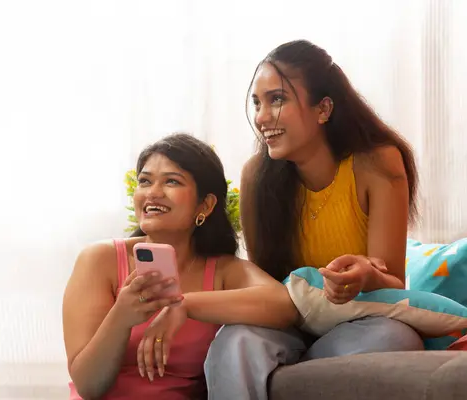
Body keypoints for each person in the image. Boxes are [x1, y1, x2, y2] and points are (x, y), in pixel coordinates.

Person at [204, 39, 425, 400]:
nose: (261, 117)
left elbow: (393, 284)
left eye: (277, 99)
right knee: (236, 339)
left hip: (361, 319)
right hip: (290, 321)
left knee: (394, 338)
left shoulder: (378, 163)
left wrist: (366, 275)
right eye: (256, 103)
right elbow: (268, 290)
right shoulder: (256, 175)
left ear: (323, 109)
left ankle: (299, 369)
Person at [62, 133, 299, 400]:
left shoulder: (222, 270)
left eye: (172, 181)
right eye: (145, 181)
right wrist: (121, 317)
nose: (152, 193)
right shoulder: (99, 260)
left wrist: (183, 305)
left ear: (206, 205)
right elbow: (88, 385)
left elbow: (284, 306)